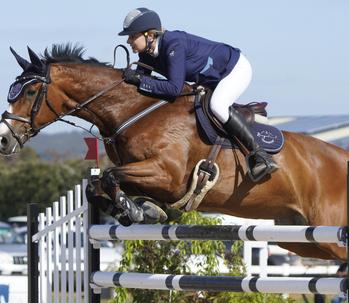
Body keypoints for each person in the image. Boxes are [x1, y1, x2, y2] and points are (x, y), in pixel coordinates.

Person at [118, 7, 277, 182]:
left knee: (217, 105)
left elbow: (174, 89)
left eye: (132, 36)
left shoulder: (173, 44)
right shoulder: (147, 54)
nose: (128, 40)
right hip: (211, 78)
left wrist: (139, 80)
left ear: (149, 35)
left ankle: (259, 155)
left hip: (234, 69)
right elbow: (142, 89)